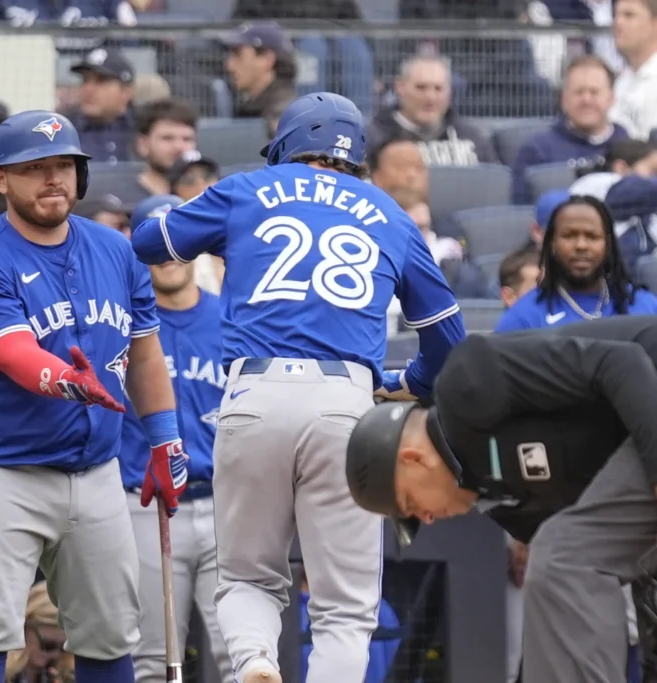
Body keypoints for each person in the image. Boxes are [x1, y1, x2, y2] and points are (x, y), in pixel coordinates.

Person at [131, 92, 466, 683]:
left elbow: (151, 244)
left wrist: (175, 217)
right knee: (344, 608)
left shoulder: (248, 189)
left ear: (286, 144)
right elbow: (447, 345)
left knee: (246, 578)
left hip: (253, 396)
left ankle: (257, 662)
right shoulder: (390, 212)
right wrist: (402, 383)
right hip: (347, 403)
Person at [0, 110, 187, 683]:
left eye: (64, 166)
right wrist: (65, 379)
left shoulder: (116, 250)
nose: (53, 179)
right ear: (0, 178)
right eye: (35, 168)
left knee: (109, 636)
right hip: (3, 469)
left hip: (96, 470)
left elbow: (146, 353)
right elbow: (16, 354)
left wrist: (165, 440)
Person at [344, 315, 657, 683]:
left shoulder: (468, 383)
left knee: (562, 557)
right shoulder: (504, 504)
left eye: (411, 505)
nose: (426, 519)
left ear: (413, 458)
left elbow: (622, 363)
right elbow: (637, 565)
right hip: (637, 452)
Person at [120, 195, 233, 683]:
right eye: (156, 239)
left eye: (178, 240)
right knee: (150, 659)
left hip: (228, 503)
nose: (168, 254)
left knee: (244, 656)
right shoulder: (120, 324)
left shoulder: (230, 318)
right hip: (146, 506)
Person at [495, 195, 657, 332]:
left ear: (608, 245)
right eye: (569, 235)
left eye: (592, 236)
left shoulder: (646, 308)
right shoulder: (523, 317)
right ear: (552, 243)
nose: (581, 245)